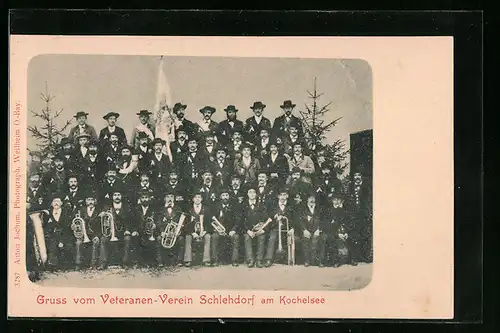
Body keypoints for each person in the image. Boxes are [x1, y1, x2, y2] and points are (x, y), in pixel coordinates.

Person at [98, 188, 136, 269]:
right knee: (103, 239)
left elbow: (130, 220)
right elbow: (104, 222)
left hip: (123, 231)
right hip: (111, 232)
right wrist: (103, 214)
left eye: (118, 195)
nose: (117, 197)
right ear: (112, 197)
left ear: (121, 196)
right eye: (115, 195)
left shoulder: (127, 207)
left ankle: (125, 262)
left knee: (127, 239)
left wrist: (128, 230)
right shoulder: (107, 207)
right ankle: (103, 263)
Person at [264, 187, 295, 267]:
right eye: (280, 195)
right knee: (272, 238)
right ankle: (268, 259)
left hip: (287, 229)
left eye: (284, 195)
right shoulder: (273, 206)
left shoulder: (292, 206)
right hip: (275, 229)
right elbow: (269, 218)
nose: (282, 197)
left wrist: (292, 228)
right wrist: (275, 219)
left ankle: (288, 259)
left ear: (287, 196)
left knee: (289, 239)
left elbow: (296, 219)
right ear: (278, 196)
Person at [210, 188, 241, 266]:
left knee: (236, 237)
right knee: (214, 237)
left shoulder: (234, 206)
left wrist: (233, 230)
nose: (225, 197)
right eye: (223, 195)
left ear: (229, 197)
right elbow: (212, 220)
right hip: (219, 230)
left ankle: (235, 260)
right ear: (220, 197)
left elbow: (238, 220)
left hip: (231, 230)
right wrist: (217, 229)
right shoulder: (216, 206)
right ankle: (215, 260)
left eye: (227, 195)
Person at [241, 187, 271, 268]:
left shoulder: (261, 205)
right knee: (247, 237)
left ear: (256, 194)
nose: (252, 194)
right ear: (247, 194)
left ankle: (259, 260)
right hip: (248, 231)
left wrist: (263, 230)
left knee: (262, 237)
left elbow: (266, 220)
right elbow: (241, 221)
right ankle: (250, 260)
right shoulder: (243, 206)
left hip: (259, 230)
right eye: (250, 192)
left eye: (254, 192)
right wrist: (248, 231)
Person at [44, 192, 74, 271]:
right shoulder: (48, 213)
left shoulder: (66, 213)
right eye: (54, 201)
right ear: (51, 204)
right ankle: (52, 266)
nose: (56, 203)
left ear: (61, 203)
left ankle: (64, 266)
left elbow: (67, 229)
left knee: (66, 246)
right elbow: (46, 228)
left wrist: (62, 241)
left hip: (65, 236)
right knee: (52, 245)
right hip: (53, 237)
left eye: (58, 201)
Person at [183, 190, 213, 267]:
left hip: (203, 231)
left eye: (199, 197)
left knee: (208, 237)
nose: (197, 199)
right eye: (195, 197)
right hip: (192, 232)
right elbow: (186, 224)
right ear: (193, 199)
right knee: (188, 237)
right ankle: (188, 260)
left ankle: (206, 260)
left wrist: (205, 231)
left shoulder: (206, 209)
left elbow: (209, 223)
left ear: (202, 199)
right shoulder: (189, 210)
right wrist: (193, 233)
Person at [74, 189, 101, 269]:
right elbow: (77, 224)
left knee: (95, 242)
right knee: (78, 243)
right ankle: (78, 264)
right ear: (86, 201)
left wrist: (97, 236)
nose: (90, 202)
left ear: (95, 201)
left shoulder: (99, 210)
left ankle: (93, 264)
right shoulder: (81, 211)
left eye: (92, 200)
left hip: (94, 234)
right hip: (83, 235)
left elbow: (101, 226)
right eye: (88, 200)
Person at [134, 189, 157, 267]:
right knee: (136, 239)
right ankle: (138, 262)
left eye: (146, 197)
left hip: (151, 232)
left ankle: (150, 262)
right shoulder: (136, 209)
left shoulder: (154, 209)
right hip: (139, 231)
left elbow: (157, 220)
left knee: (151, 242)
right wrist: (134, 230)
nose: (144, 199)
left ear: (149, 198)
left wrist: (155, 225)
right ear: (140, 199)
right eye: (143, 197)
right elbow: (132, 221)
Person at [298, 193, 322, 266]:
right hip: (306, 230)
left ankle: (316, 260)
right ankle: (307, 260)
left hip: (317, 231)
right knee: (305, 238)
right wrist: (304, 230)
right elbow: (300, 221)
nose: (311, 200)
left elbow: (323, 220)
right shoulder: (302, 209)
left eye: (313, 198)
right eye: (310, 198)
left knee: (318, 239)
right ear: (307, 200)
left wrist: (318, 229)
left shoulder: (319, 209)